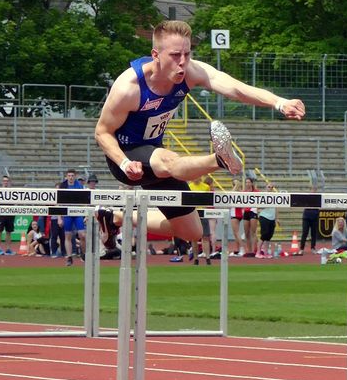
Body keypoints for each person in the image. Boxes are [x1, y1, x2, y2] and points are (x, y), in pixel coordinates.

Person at [94, 20, 305, 248]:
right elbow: (102, 132)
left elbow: (234, 87)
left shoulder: (189, 72)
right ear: (155, 54)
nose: (183, 62)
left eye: (187, 53)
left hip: (155, 155)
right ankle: (219, 159)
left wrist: (280, 103)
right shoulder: (129, 86)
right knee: (168, 161)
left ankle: (116, 217)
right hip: (125, 155)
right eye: (175, 55)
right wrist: (124, 163)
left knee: (192, 232)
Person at [60, 169, 86, 266]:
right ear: (66, 177)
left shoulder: (79, 186)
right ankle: (69, 257)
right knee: (68, 236)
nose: (70, 177)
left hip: (78, 212)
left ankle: (83, 254)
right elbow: (59, 203)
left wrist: (85, 214)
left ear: (75, 176)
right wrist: (59, 217)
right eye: (69, 175)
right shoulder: (63, 186)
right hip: (67, 213)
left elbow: (84, 201)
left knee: (82, 235)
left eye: (72, 175)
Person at [188, 176, 212, 265]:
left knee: (205, 237)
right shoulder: (189, 186)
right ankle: (196, 259)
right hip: (193, 213)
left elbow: (208, 200)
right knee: (194, 238)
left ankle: (207, 257)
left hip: (203, 213)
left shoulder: (206, 187)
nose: (196, 178)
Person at [256, 183, 279, 258]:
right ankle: (258, 252)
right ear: (266, 187)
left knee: (269, 236)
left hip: (272, 218)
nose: (270, 188)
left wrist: (277, 218)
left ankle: (266, 253)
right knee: (264, 234)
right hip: (264, 216)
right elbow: (259, 206)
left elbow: (276, 208)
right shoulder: (263, 196)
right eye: (269, 187)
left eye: (272, 187)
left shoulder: (274, 197)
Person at [0, 175, 15, 255]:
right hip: (1, 213)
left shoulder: (12, 192)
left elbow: (15, 202)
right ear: (2, 182)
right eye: (4, 181)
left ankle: (8, 249)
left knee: (9, 232)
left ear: (9, 182)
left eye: (7, 181)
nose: (5, 182)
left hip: (10, 213)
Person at [299, 186, 320, 255]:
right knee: (304, 233)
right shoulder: (306, 197)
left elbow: (320, 206)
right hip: (306, 217)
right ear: (310, 190)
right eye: (312, 189)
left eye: (315, 190)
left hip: (314, 216)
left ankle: (313, 248)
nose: (313, 191)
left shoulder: (318, 198)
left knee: (313, 233)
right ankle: (301, 249)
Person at [243, 177, 259, 257]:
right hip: (246, 212)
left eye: (249, 182)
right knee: (246, 233)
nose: (247, 184)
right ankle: (249, 250)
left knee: (253, 232)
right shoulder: (244, 192)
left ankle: (254, 250)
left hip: (253, 211)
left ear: (252, 183)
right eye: (246, 182)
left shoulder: (256, 192)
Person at [229, 180, 245, 257]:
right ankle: (238, 250)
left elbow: (231, 194)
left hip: (236, 213)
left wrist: (236, 185)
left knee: (236, 232)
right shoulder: (240, 192)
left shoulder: (237, 192)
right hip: (236, 213)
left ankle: (242, 249)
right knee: (236, 233)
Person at [204, 176, 218, 253]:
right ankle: (212, 251)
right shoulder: (212, 192)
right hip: (211, 212)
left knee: (205, 233)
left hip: (206, 211)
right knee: (212, 232)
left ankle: (206, 251)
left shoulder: (205, 191)